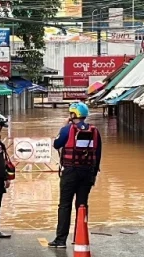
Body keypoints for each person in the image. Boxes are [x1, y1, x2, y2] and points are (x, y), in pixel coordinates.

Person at [48, 102, 102, 248]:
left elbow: (56, 144)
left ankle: (60, 240)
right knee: (82, 204)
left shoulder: (67, 129)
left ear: (73, 115)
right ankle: (80, 236)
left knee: (65, 205)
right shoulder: (95, 131)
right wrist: (93, 175)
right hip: (87, 173)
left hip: (70, 172)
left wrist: (64, 126)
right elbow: (97, 155)